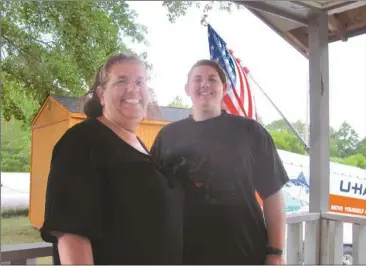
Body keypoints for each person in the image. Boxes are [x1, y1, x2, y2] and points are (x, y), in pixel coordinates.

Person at [40, 53, 184, 265]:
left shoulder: (139, 146)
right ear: (101, 95)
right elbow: (72, 233)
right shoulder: (82, 142)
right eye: (121, 80)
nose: (133, 89)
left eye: (140, 82)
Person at [150, 59, 289, 265]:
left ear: (224, 88)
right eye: (197, 79)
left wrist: (275, 253)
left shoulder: (251, 132)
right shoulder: (167, 136)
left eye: (212, 79)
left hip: (244, 253)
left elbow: (273, 195)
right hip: (181, 255)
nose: (204, 84)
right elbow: (152, 197)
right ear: (187, 89)